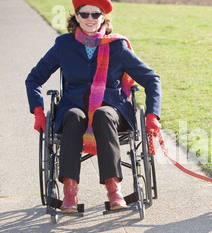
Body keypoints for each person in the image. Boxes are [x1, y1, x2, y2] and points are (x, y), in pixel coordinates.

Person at [26, 0, 161, 213]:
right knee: (72, 116)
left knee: (103, 114)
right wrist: (38, 111)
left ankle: (113, 188)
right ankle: (70, 191)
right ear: (76, 17)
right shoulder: (64, 45)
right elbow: (33, 79)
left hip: (112, 108)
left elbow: (152, 79)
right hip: (74, 108)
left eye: (95, 14)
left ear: (103, 17)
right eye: (84, 14)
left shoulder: (117, 46)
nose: (90, 19)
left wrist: (152, 114)